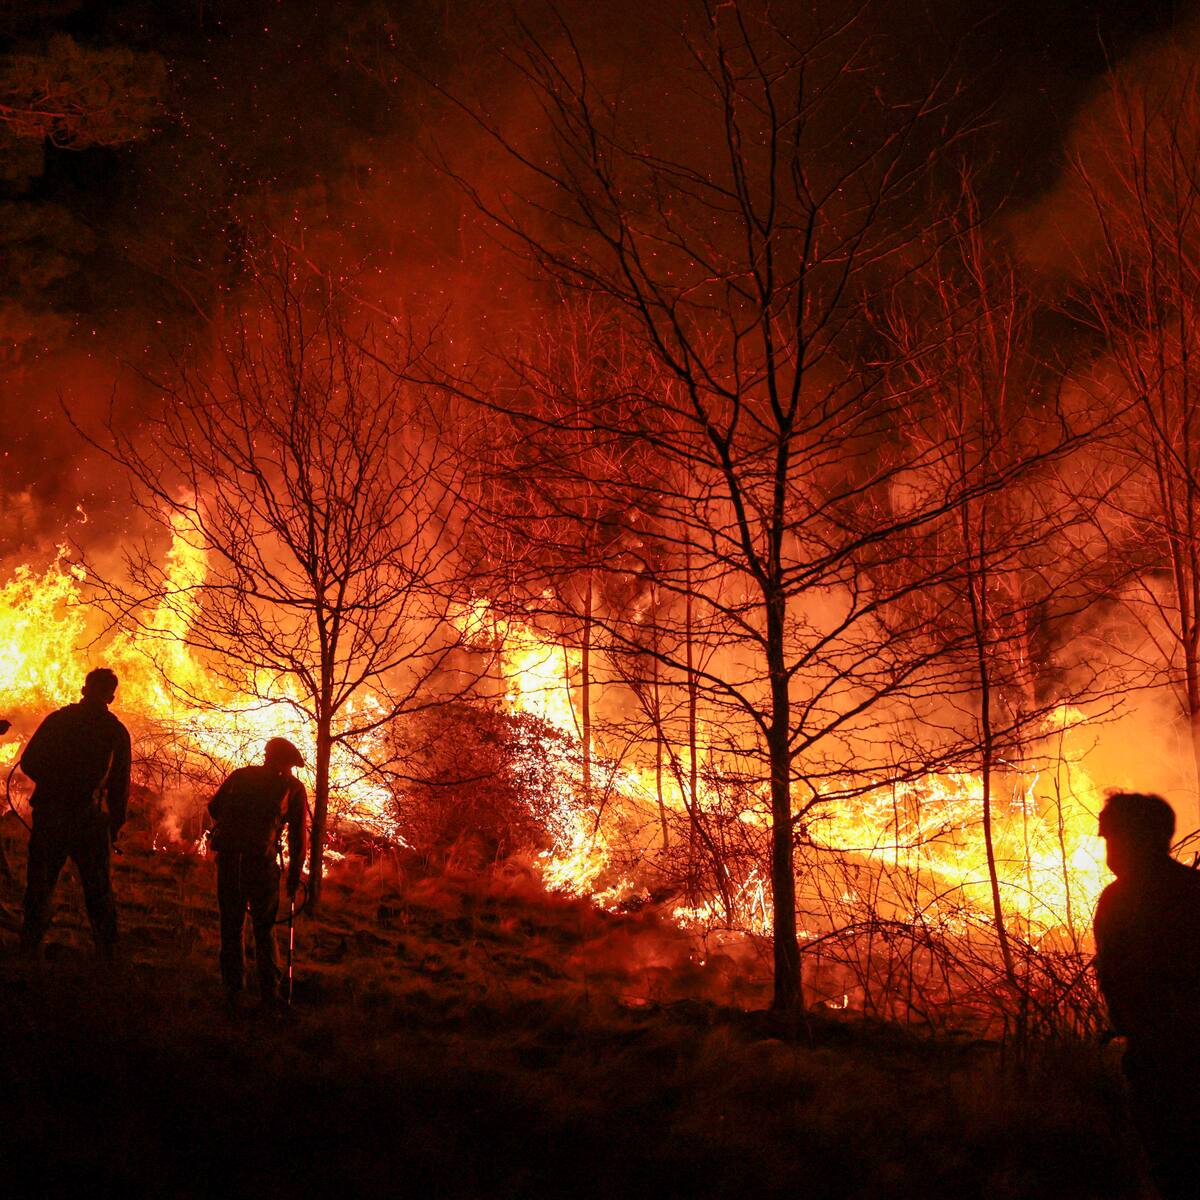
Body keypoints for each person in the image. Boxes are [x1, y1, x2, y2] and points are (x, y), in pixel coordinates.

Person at [1094, 791, 1200, 1199]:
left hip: (1163, 1060)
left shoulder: (1120, 900)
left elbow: (1121, 978)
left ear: (1136, 838)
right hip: (1168, 1054)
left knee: (1173, 1166)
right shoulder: (1192, 890)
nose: (1107, 849)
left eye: (1110, 838)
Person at [17, 667, 131, 960]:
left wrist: (53, 784)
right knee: (98, 891)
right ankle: (108, 956)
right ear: (112, 696)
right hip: (89, 820)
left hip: (52, 814)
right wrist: (114, 824)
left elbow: (29, 761)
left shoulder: (59, 720)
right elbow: (119, 785)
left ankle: (28, 947)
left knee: (40, 884)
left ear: (84, 689)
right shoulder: (115, 731)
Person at [208, 737, 306, 1007]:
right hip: (261, 866)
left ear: (266, 755)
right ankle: (270, 993)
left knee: (231, 926)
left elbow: (213, 808)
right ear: (287, 764)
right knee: (264, 928)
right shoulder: (293, 788)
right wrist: (295, 873)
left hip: (229, 860)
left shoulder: (241, 776)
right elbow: (298, 838)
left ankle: (233, 990)